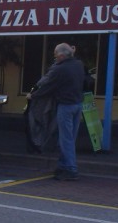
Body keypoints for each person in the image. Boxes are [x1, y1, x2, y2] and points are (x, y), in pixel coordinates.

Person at [27, 43, 86, 180]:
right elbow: (68, 61)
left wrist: (33, 95)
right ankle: (63, 165)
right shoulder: (78, 65)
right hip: (78, 104)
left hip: (66, 106)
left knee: (65, 140)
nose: (55, 58)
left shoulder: (60, 69)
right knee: (70, 138)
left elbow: (48, 86)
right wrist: (71, 52)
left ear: (61, 56)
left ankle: (71, 169)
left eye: (56, 56)